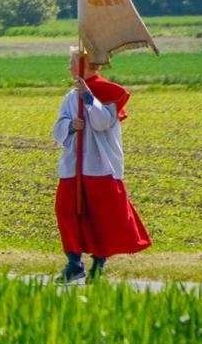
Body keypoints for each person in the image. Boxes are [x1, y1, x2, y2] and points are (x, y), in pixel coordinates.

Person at [52, 54, 151, 284]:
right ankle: (74, 263)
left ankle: (98, 265)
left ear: (85, 64)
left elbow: (101, 122)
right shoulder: (70, 96)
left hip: (99, 166)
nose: (69, 66)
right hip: (73, 166)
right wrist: (70, 126)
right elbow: (58, 127)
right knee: (66, 209)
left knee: (101, 216)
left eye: (73, 62)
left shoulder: (106, 92)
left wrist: (87, 95)